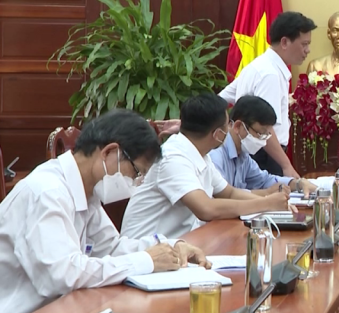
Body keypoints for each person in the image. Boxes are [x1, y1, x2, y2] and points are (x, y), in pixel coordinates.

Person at [0, 110, 210, 313]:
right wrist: (146, 261)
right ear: (110, 152)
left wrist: (169, 247)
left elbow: (110, 248)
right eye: (136, 172)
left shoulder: (87, 192)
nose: (135, 182)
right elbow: (62, 276)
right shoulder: (46, 192)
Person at [121, 94, 290, 239]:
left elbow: (230, 193)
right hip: (144, 251)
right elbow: (206, 209)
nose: (229, 130)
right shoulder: (173, 158)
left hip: (175, 247)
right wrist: (265, 204)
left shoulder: (201, 155)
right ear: (218, 134)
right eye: (227, 125)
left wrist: (272, 202)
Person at [220, 11, 317, 178]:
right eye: (304, 44)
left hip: (256, 153)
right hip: (266, 156)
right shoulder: (270, 74)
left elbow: (220, 100)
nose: (308, 50)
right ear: (285, 42)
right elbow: (265, 127)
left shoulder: (257, 65)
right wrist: (286, 165)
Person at [209, 95, 318, 197]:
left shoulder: (243, 156)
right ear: (238, 126)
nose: (263, 141)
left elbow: (265, 180)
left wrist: (298, 183)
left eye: (266, 135)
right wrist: (267, 193)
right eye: (260, 133)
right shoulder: (215, 153)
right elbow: (221, 196)